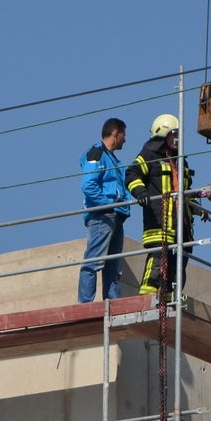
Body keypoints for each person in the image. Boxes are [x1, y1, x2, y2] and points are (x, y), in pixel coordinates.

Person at [124, 113, 206, 299]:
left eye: (179, 135)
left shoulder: (181, 161)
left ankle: (169, 299)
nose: (177, 139)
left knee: (178, 267)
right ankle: (146, 300)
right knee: (157, 264)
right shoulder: (149, 155)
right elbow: (132, 174)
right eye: (173, 134)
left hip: (181, 227)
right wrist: (140, 192)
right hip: (160, 222)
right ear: (163, 135)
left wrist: (196, 208)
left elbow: (185, 190)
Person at [78, 117, 131, 303]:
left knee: (112, 265)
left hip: (115, 216)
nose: (125, 139)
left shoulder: (113, 160)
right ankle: (85, 305)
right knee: (94, 261)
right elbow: (88, 185)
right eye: (124, 135)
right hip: (102, 216)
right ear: (116, 134)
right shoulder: (97, 155)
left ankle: (113, 304)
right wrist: (107, 206)